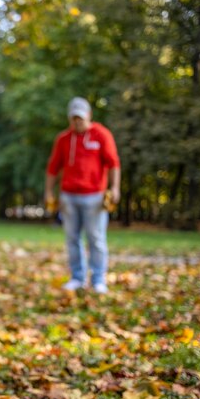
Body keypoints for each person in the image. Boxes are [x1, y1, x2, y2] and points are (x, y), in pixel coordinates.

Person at [44, 97, 121, 294]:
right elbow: (53, 168)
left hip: (94, 196)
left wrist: (115, 188)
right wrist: (48, 192)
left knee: (96, 238)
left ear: (88, 115)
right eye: (73, 118)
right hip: (68, 196)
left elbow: (113, 164)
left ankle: (98, 279)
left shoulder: (101, 135)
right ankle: (78, 278)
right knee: (72, 238)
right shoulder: (63, 139)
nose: (77, 122)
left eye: (80, 117)